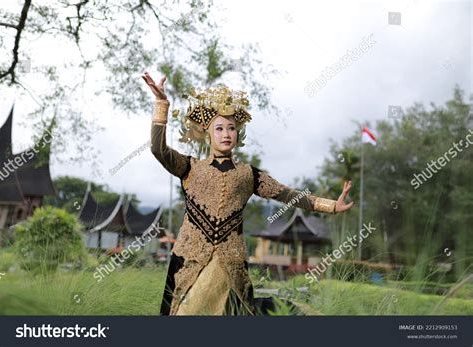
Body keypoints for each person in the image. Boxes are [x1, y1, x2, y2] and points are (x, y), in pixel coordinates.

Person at [142, 72, 354, 315]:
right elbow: (158, 150)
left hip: (229, 261)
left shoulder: (248, 174)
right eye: (219, 128)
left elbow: (286, 194)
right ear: (208, 133)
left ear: (238, 133)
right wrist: (161, 104)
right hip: (189, 257)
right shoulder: (190, 167)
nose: (225, 133)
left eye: (231, 128)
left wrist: (331, 206)